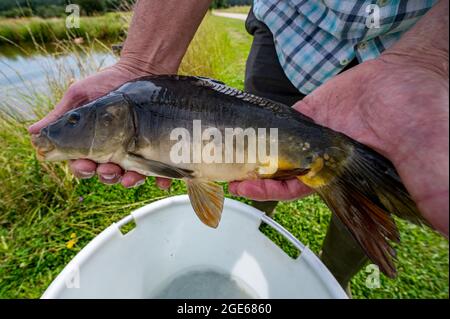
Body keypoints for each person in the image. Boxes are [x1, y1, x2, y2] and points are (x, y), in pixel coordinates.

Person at [29, 0, 448, 290]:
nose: (65, 128)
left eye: (76, 120)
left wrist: (427, 58)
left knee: (340, 167)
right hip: (293, 33)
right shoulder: (127, 112)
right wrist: (139, 65)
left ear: (113, 119)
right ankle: (247, 231)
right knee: (262, 183)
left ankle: (335, 274)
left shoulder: (127, 120)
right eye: (74, 121)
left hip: (407, 38)